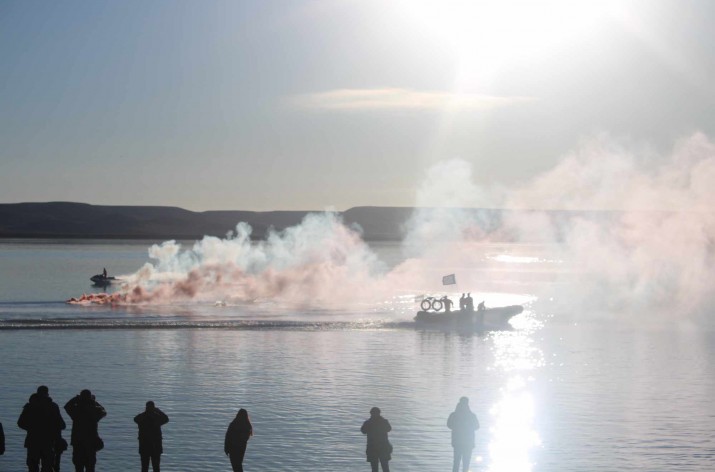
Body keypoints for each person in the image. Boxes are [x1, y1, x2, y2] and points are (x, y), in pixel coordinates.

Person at [17, 386, 66, 472]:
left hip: (32, 441)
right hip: (48, 442)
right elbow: (62, 425)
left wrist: (31, 429)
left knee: (32, 467)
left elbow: (20, 423)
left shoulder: (30, 406)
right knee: (47, 467)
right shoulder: (53, 406)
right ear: (47, 394)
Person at [64, 390, 106, 472]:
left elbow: (67, 406)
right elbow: (104, 411)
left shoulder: (76, 411)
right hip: (91, 442)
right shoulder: (95, 411)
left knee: (78, 467)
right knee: (90, 467)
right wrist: (94, 401)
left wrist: (76, 399)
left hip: (78, 442)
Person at [134, 401, 169, 472]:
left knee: (145, 467)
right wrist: (158, 411)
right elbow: (166, 419)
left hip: (147, 446)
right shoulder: (157, 418)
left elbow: (135, 419)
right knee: (154, 468)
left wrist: (146, 412)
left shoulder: (143, 418)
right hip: (153, 446)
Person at [447, 397, 479, 472]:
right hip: (466, 443)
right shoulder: (471, 415)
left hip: (459, 443)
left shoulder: (455, 414)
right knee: (465, 463)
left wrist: (458, 426)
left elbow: (449, 425)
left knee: (457, 463)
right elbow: (477, 426)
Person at [361, 407, 392, 472]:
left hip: (375, 448)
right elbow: (389, 429)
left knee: (378, 468)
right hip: (381, 448)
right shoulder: (383, 421)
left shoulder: (368, 422)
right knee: (384, 468)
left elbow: (363, 431)